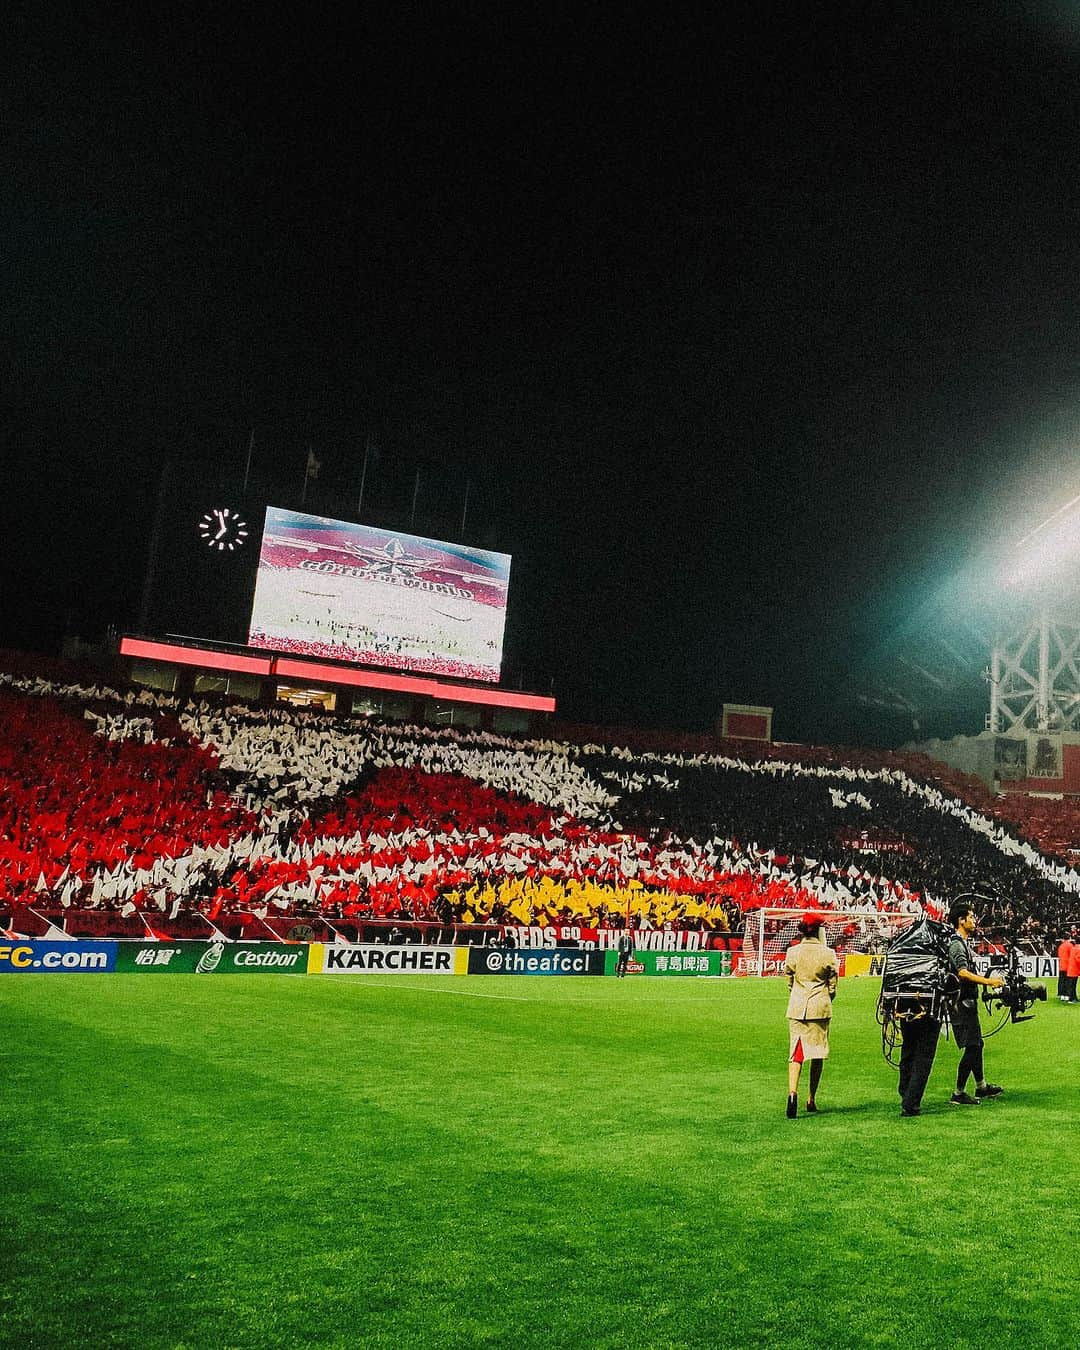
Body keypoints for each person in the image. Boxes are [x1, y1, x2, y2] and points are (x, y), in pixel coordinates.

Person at [947, 900, 1005, 1106]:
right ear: (961, 920)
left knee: (977, 1044)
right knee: (973, 1046)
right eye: (970, 917)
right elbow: (962, 973)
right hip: (961, 1004)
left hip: (968, 1003)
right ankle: (958, 1092)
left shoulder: (962, 943)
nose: (974, 920)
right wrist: (989, 981)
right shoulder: (956, 943)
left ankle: (981, 1086)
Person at [783, 913, 838, 1118]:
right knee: (817, 1053)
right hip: (819, 1007)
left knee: (796, 1053)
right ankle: (811, 1098)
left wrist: (796, 993)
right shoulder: (828, 953)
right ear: (818, 930)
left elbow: (788, 979)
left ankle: (792, 1093)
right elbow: (833, 985)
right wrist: (826, 996)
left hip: (797, 1007)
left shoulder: (792, 952)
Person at [1057, 932, 1074, 1002]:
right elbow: (1072, 955)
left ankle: (1061, 995)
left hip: (1061, 966)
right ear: (1069, 938)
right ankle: (1067, 995)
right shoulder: (1070, 946)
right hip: (1068, 966)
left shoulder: (1061, 946)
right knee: (1068, 982)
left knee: (1061, 981)